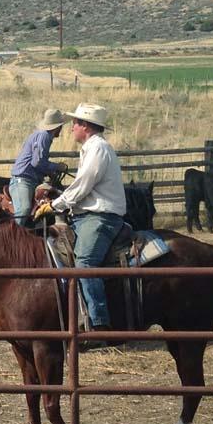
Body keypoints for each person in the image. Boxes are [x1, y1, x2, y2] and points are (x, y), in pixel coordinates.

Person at [34, 103, 127, 332]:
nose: (71, 127)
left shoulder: (98, 149)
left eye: (75, 123)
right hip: (88, 216)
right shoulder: (92, 148)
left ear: (85, 126)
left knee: (84, 263)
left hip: (100, 218)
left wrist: (55, 204)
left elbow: (83, 185)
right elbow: (81, 186)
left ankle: (98, 323)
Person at [9, 108, 68, 225]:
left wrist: (50, 171)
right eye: (61, 126)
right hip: (23, 180)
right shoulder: (44, 136)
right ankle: (12, 237)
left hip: (30, 179)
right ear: (58, 127)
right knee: (24, 209)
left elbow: (38, 163)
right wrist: (57, 167)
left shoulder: (42, 135)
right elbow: (37, 162)